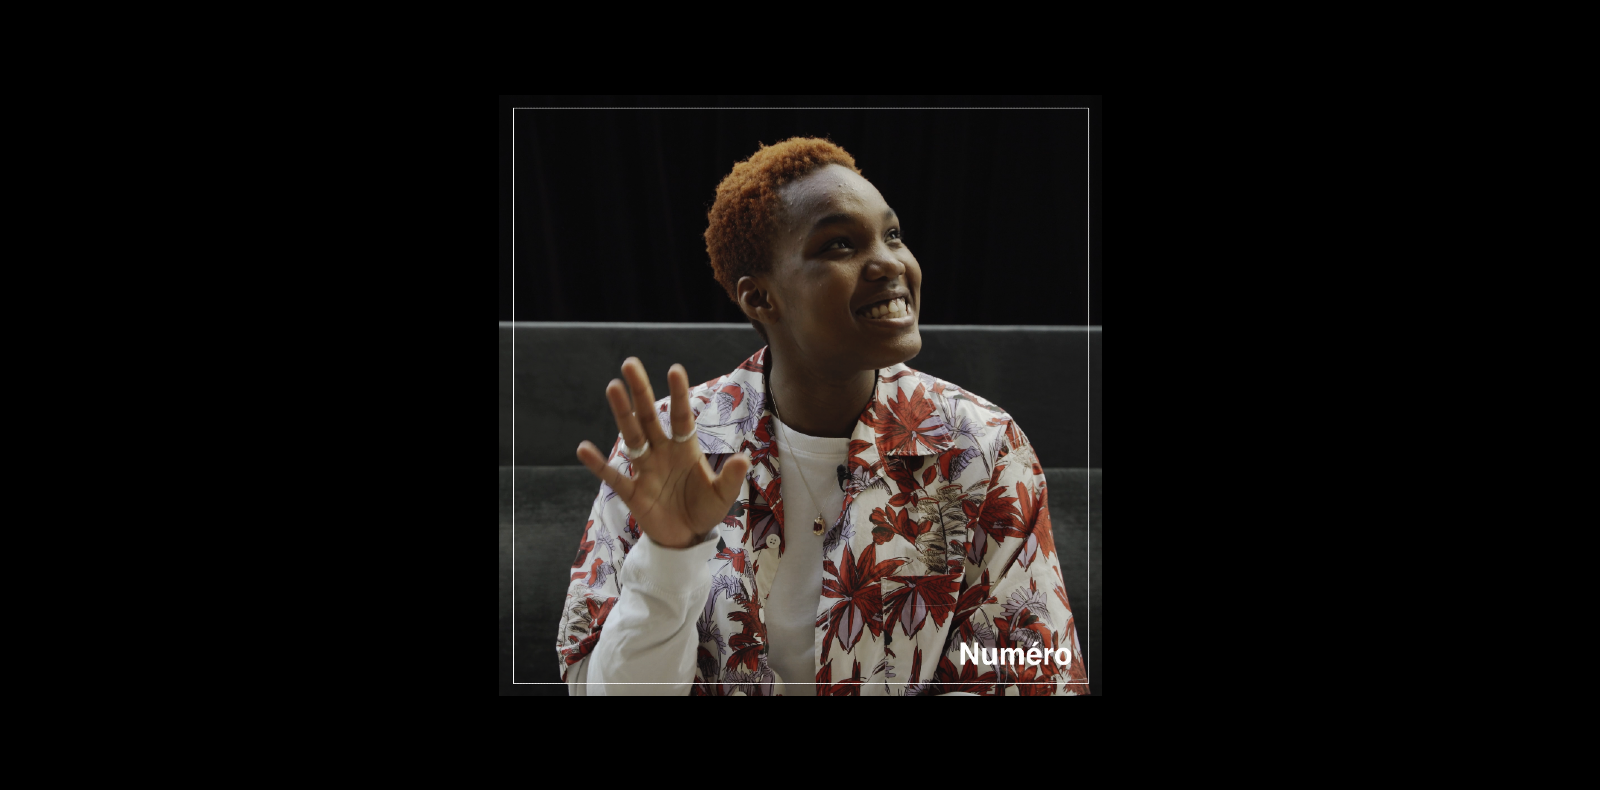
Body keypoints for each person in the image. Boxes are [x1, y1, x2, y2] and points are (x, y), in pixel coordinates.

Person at [558, 137, 1087, 695]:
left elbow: (1032, 672)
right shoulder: (669, 447)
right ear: (760, 299)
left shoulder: (981, 446)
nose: (890, 262)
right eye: (839, 244)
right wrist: (667, 562)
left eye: (892, 234)